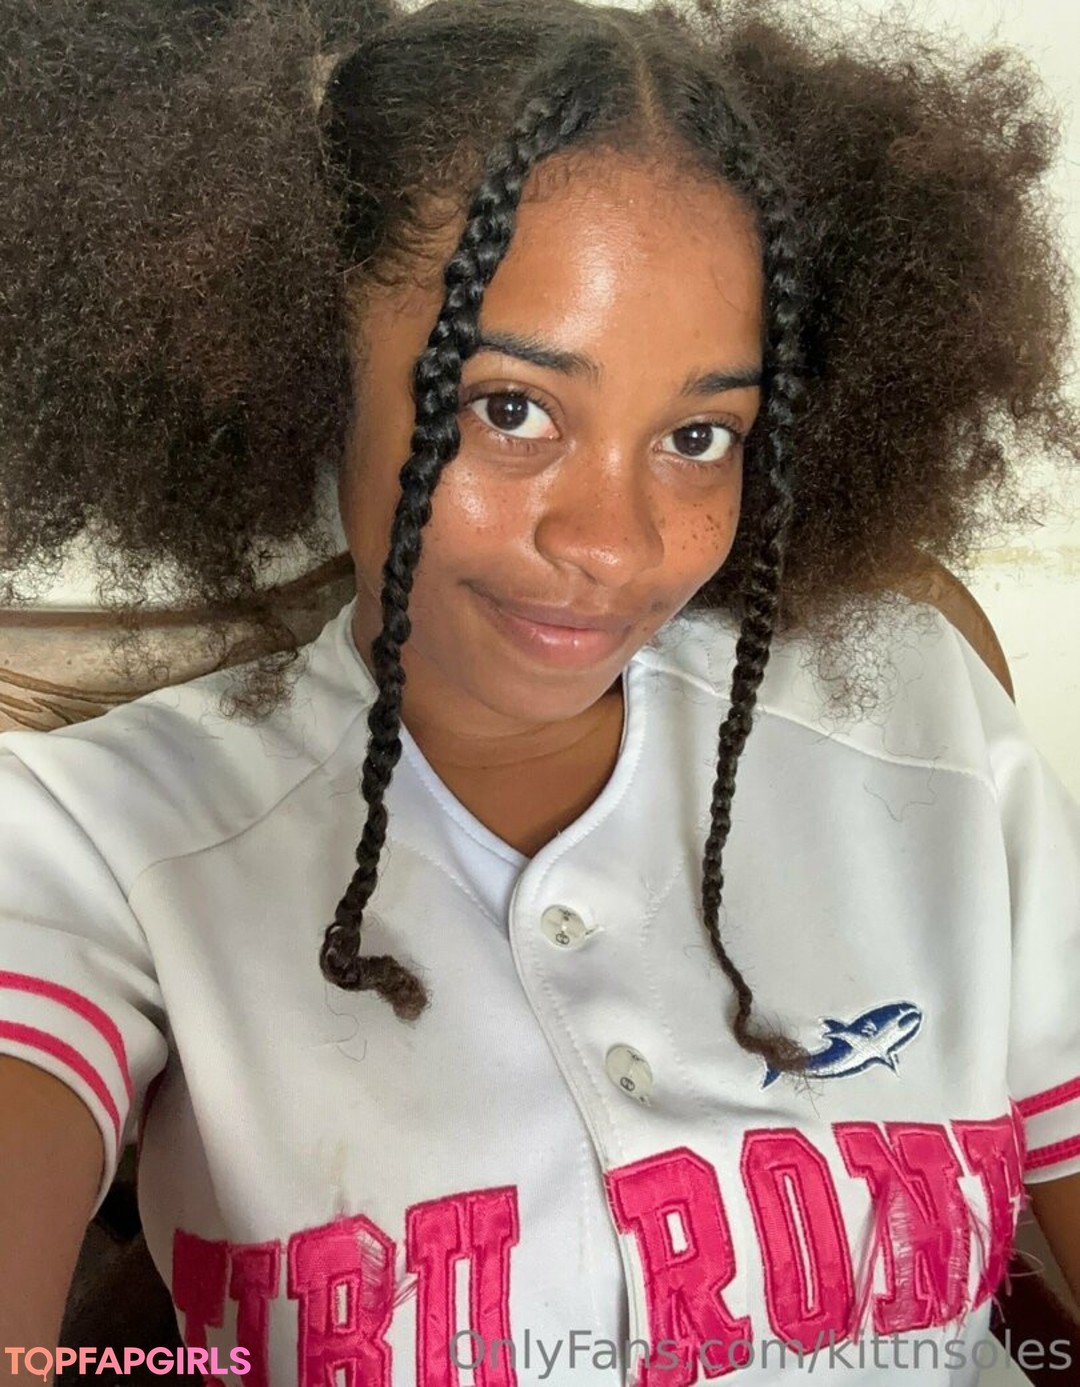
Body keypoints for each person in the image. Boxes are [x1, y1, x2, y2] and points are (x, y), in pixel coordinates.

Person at [0, 0, 1078, 1379]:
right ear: (300, 372)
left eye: (701, 435)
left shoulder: (919, 718)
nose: (615, 545)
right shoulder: (99, 840)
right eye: (509, 408)